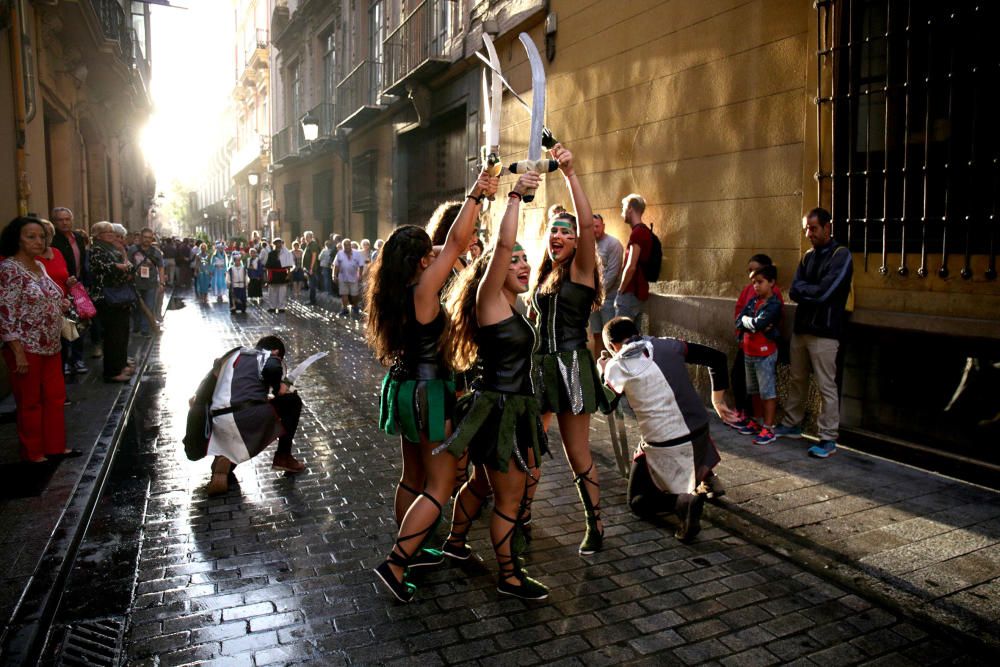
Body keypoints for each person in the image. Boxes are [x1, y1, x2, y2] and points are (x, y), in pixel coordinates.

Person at [366, 170, 496, 603]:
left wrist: (442, 239)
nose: (436, 256)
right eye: (429, 253)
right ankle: (397, 562)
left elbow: (448, 245)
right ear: (423, 260)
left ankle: (415, 548)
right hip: (428, 393)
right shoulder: (424, 289)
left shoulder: (394, 286)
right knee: (440, 485)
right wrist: (477, 190)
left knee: (413, 475)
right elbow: (456, 243)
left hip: (402, 388)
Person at [439, 171, 549, 600]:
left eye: (526, 260)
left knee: (483, 484)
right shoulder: (489, 297)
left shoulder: (511, 302)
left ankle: (454, 542)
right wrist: (516, 197)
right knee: (510, 496)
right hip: (499, 411)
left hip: (508, 408)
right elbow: (502, 246)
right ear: (496, 271)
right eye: (515, 261)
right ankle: (509, 576)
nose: (522, 265)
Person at [529, 143, 609, 556]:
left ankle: (595, 525)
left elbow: (583, 217)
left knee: (576, 452)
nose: (558, 236)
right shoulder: (545, 277)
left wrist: (570, 173)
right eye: (553, 231)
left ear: (579, 241)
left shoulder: (580, 271)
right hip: (541, 369)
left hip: (573, 367)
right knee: (530, 445)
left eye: (566, 231)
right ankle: (520, 513)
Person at [599, 316, 734, 541]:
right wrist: (717, 401)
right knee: (686, 430)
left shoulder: (616, 365)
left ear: (613, 346)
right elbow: (717, 358)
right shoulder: (668, 344)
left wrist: (603, 372)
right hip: (700, 432)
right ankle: (706, 475)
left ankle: (683, 502)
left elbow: (606, 406)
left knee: (637, 503)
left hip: (666, 445)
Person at [774, 207, 854, 458]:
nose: (809, 233)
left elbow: (824, 293)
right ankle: (791, 425)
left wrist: (808, 291)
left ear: (828, 227)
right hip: (802, 329)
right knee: (797, 379)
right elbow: (795, 290)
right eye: (807, 228)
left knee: (825, 385)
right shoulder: (808, 256)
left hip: (826, 332)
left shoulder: (841, 256)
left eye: (814, 228)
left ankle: (828, 438)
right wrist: (810, 291)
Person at [0, 217, 74, 463]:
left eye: (41, 236)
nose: (38, 241)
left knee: (55, 396)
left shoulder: (39, 266)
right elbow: (6, 311)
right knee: (30, 402)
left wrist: (60, 303)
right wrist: (17, 350)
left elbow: (48, 295)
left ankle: (55, 446)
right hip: (26, 346)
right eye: (31, 236)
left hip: (51, 343)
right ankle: (33, 452)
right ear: (17, 239)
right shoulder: (9, 269)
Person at [198, 335, 305, 496]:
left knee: (236, 430)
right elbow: (272, 369)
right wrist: (279, 388)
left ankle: (224, 463)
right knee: (293, 401)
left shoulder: (232, 356)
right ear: (276, 351)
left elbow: (204, 391)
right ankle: (284, 456)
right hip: (246, 417)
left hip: (218, 420)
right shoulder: (268, 356)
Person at [729, 254, 784, 431]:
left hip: (764, 350)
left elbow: (759, 323)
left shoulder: (773, 300)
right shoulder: (752, 298)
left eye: (759, 280)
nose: (755, 284)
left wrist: (750, 322)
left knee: (766, 389)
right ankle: (755, 419)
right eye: (752, 278)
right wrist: (748, 322)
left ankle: (767, 426)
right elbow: (740, 319)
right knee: (750, 387)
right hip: (748, 348)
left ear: (771, 281)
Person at [89, 221, 135, 382]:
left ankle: (120, 365)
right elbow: (111, 268)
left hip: (119, 296)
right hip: (108, 297)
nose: (112, 235)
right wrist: (121, 266)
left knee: (121, 333)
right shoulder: (97, 249)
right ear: (98, 235)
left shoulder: (112, 248)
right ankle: (112, 372)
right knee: (113, 336)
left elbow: (128, 267)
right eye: (107, 232)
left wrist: (122, 262)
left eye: (112, 232)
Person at [35, 219, 79, 376]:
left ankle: (59, 384)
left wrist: (68, 283)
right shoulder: (30, 258)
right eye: (39, 235)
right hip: (40, 314)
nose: (43, 239)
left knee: (63, 346)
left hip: (62, 308)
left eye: (47, 234)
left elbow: (63, 275)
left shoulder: (57, 253)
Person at [49, 208, 88, 373]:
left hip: (78, 285)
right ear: (54, 222)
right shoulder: (53, 240)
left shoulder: (78, 237)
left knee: (80, 322)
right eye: (60, 220)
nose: (64, 222)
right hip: (61, 286)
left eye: (67, 219)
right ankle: (64, 360)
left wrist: (85, 282)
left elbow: (83, 261)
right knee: (64, 324)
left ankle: (77, 358)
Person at [615, 193, 653, 322]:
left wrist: (620, 291)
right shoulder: (645, 231)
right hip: (640, 293)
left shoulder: (637, 233)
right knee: (633, 338)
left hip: (630, 293)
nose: (622, 213)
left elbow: (631, 267)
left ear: (630, 208)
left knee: (619, 335)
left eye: (623, 208)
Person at [590, 213, 623, 355]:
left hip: (609, 299)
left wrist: (597, 292)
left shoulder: (613, 244)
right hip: (592, 298)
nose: (594, 230)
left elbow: (612, 273)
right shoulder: (587, 245)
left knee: (610, 337)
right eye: (591, 227)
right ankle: (599, 371)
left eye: (596, 226)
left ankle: (611, 371)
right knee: (597, 335)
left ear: (603, 226)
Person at [128, 228, 164, 337]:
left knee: (149, 305)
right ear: (141, 237)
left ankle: (145, 328)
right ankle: (136, 326)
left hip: (151, 283)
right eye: (145, 237)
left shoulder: (156, 252)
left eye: (149, 237)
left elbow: (161, 267)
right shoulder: (133, 249)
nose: (147, 240)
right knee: (135, 306)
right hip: (135, 283)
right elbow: (127, 262)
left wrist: (162, 283)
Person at [334, 238, 364, 318]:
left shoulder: (357, 253)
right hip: (342, 276)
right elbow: (336, 265)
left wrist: (360, 275)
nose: (347, 246)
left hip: (354, 276)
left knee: (354, 294)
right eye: (345, 245)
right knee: (344, 293)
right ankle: (345, 309)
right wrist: (334, 275)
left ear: (351, 245)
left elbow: (361, 265)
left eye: (348, 244)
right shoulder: (340, 253)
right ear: (343, 246)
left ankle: (355, 306)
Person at [264, 238, 294, 313]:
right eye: (276, 243)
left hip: (282, 274)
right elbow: (268, 266)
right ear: (274, 244)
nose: (278, 244)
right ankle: (272, 306)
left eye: (279, 243)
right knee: (272, 291)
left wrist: (289, 274)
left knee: (282, 291)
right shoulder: (271, 254)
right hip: (273, 274)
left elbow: (289, 265)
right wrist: (268, 276)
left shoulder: (286, 253)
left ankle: (281, 307)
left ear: (281, 243)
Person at [302, 231, 321, 305]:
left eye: (307, 237)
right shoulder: (309, 244)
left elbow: (314, 256)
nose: (306, 238)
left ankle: (312, 300)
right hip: (308, 268)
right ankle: (312, 299)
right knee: (310, 284)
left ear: (310, 237)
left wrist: (311, 268)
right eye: (305, 237)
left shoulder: (313, 244)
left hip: (312, 269)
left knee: (312, 285)